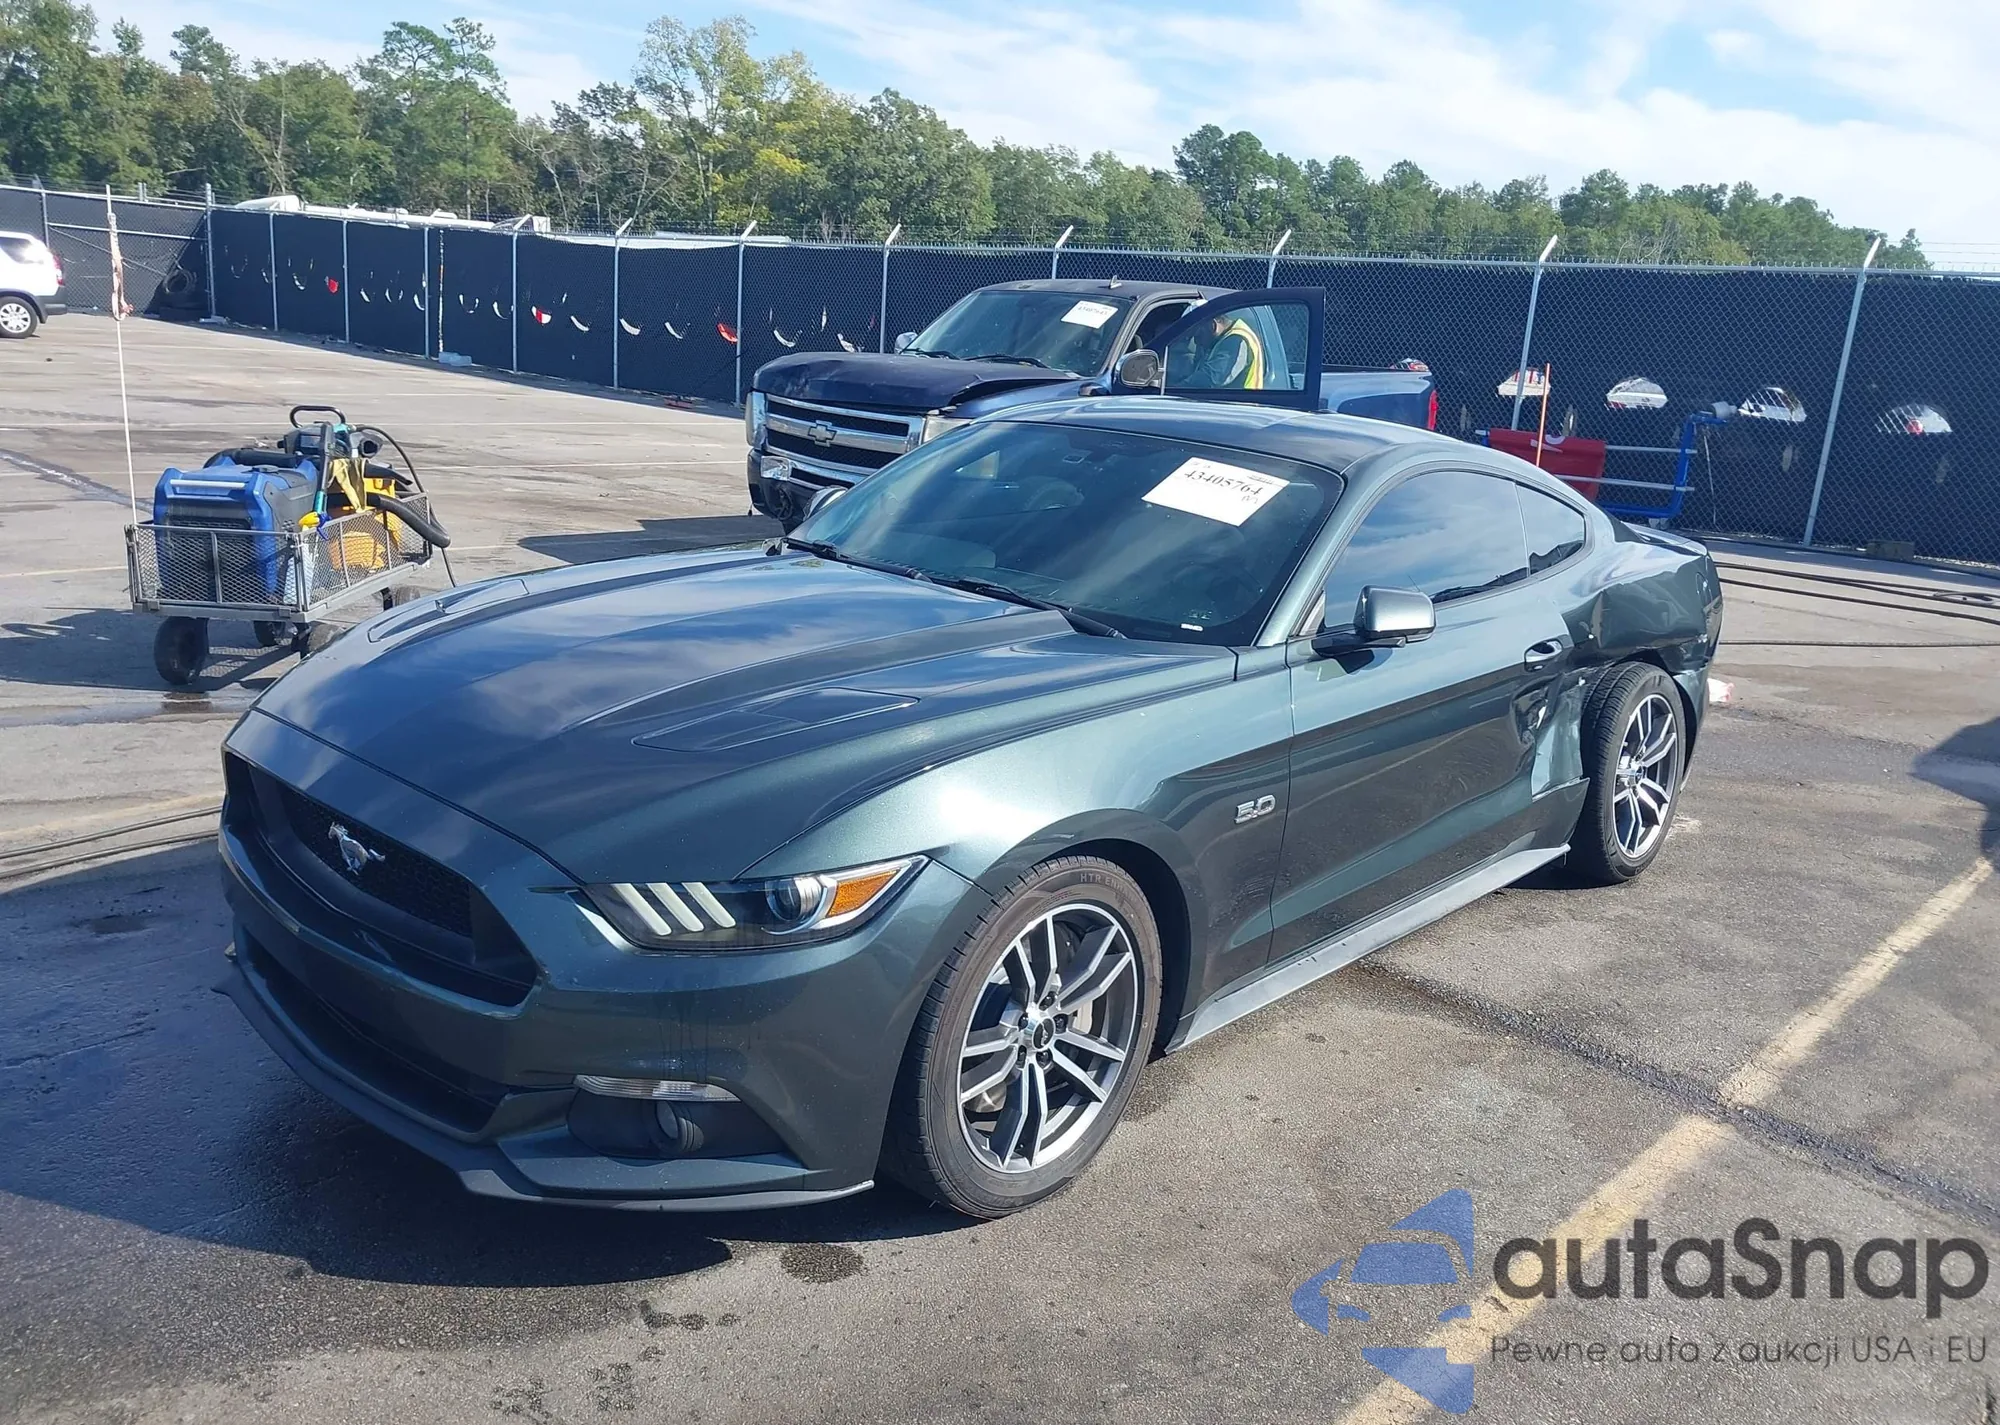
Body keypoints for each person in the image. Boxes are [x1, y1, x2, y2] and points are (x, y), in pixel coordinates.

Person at [1190, 310, 1265, 389]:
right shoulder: (1221, 339)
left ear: (1212, 324)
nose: (1195, 339)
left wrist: (1181, 386)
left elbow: (1212, 378)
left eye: (1198, 332)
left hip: (1242, 396)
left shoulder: (1235, 341)